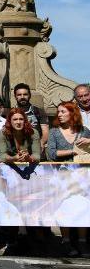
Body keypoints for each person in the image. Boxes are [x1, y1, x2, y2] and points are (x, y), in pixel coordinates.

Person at [45, 101, 89, 256]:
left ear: (72, 113)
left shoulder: (84, 131)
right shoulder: (54, 132)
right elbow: (51, 154)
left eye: (63, 111)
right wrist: (72, 151)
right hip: (62, 177)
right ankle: (66, 241)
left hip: (82, 176)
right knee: (64, 208)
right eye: (58, 112)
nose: (59, 114)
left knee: (83, 207)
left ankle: (82, 242)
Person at [13, 83, 50, 153]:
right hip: (17, 150)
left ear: (29, 95)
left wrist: (41, 143)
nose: (22, 97)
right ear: (15, 96)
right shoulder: (10, 113)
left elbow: (45, 131)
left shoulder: (39, 111)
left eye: (25, 94)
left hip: (36, 149)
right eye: (19, 95)